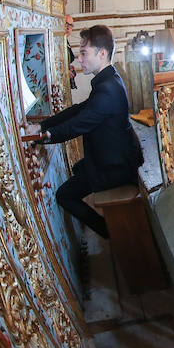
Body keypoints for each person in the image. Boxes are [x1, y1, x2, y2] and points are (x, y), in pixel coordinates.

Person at [28, 25, 144, 238]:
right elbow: (79, 110)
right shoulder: (107, 80)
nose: (79, 59)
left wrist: (43, 136)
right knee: (76, 168)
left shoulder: (108, 89)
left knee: (64, 195)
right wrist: (42, 126)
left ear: (101, 54)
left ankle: (112, 232)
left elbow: (78, 124)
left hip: (116, 167)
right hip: (113, 158)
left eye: (84, 53)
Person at [65, 15, 78, 89]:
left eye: (71, 25)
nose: (68, 28)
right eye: (66, 24)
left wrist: (68, 66)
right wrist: (65, 71)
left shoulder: (65, 41)